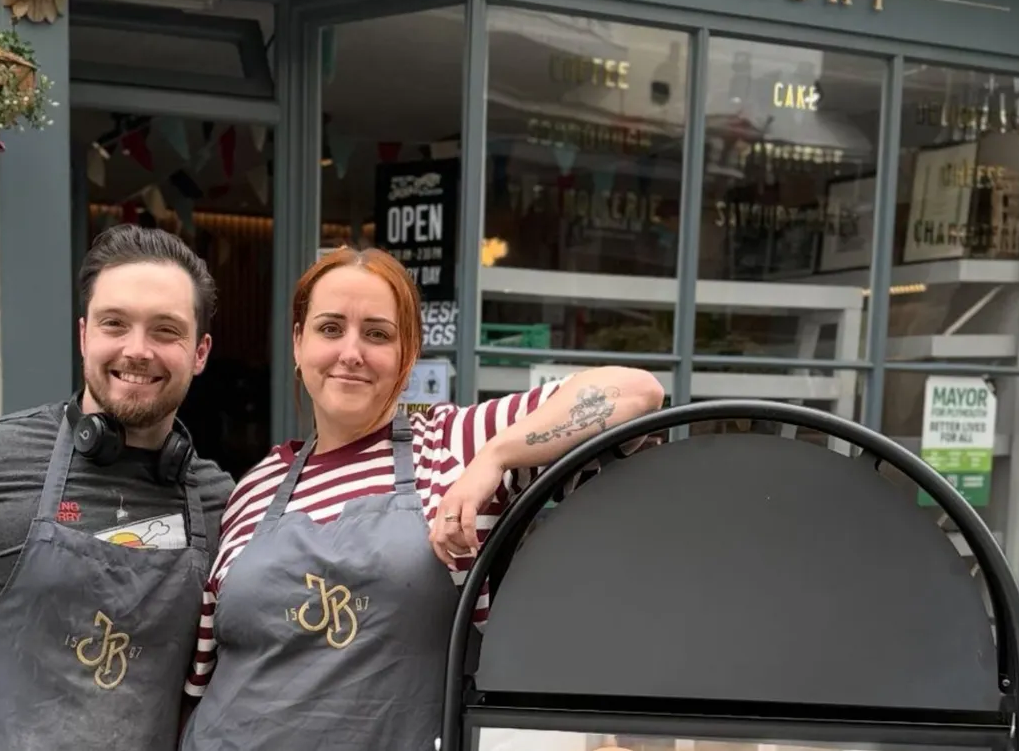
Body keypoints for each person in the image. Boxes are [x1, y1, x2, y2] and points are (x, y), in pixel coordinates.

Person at [179, 245, 664, 751]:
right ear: (299, 345)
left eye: (377, 334)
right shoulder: (254, 488)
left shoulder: (453, 446)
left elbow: (634, 392)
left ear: (407, 355)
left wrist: (496, 458)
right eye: (330, 328)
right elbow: (204, 671)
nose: (351, 352)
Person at [0, 224, 235, 751]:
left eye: (166, 330)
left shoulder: (222, 503)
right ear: (84, 335)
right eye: (114, 323)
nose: (136, 350)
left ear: (200, 351)